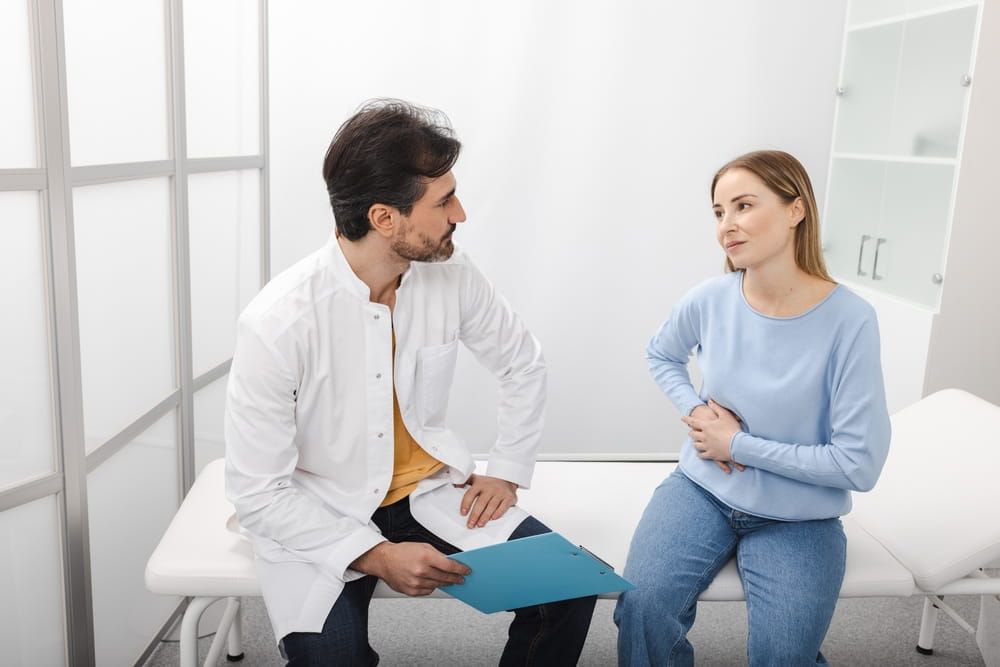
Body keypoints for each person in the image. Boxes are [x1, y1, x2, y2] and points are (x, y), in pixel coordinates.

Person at [225, 99, 596, 666]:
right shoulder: (278, 322)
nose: (461, 214)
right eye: (444, 201)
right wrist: (374, 554)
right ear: (384, 218)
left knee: (567, 588)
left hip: (427, 495)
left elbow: (522, 362)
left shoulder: (451, 275)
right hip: (319, 510)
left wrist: (509, 470)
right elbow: (257, 495)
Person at [614, 150, 891, 666]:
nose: (727, 226)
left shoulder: (851, 321)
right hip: (702, 490)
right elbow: (662, 353)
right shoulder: (710, 298)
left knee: (781, 656)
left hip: (800, 517)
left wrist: (737, 445)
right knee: (643, 608)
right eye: (719, 212)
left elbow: (859, 464)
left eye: (743, 205)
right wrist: (697, 414)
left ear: (796, 210)